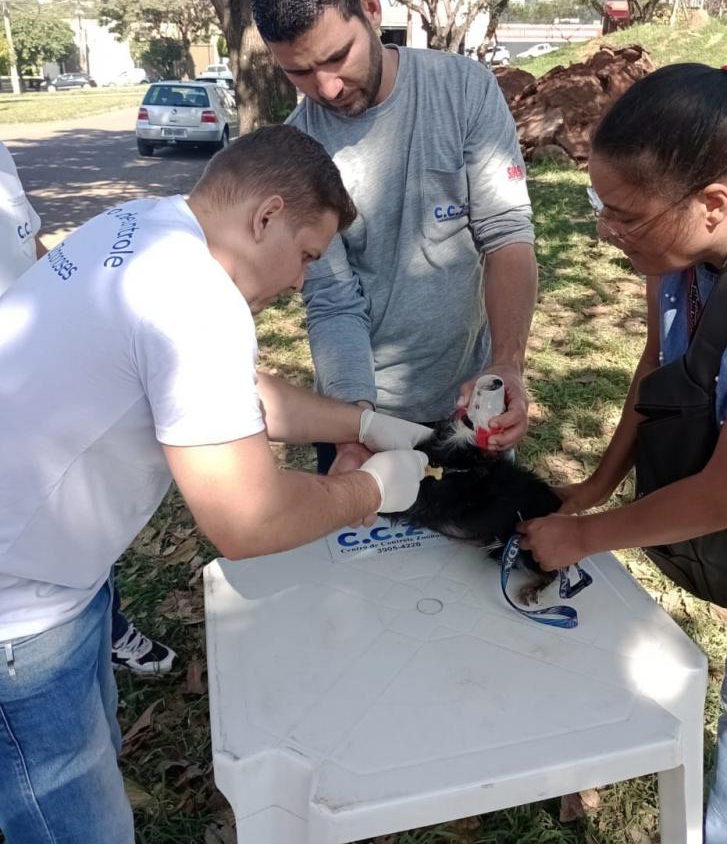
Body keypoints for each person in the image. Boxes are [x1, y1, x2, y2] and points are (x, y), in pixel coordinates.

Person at [0, 125, 429, 843]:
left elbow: (231, 395)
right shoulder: (197, 299)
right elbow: (248, 520)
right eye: (306, 255)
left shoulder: (140, 225)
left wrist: (363, 422)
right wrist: (373, 491)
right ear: (266, 216)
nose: (299, 284)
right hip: (17, 617)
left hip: (51, 576)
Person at [517, 55, 727, 841]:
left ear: (714, 203)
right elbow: (660, 372)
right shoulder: (677, 265)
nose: (604, 232)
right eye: (598, 205)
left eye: (626, 215)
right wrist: (593, 485)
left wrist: (584, 535)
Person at [251, 0, 538, 472]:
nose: (327, 88)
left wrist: (506, 368)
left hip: (472, 404)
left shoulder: (466, 90)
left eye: (337, 56)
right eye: (299, 72)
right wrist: (355, 430)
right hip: (358, 414)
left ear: (371, 7)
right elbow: (333, 300)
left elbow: (507, 238)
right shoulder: (298, 151)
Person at [0, 140, 176, 676]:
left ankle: (102, 620)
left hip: (42, 383)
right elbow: (245, 522)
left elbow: (29, 250)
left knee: (78, 514)